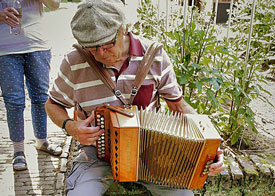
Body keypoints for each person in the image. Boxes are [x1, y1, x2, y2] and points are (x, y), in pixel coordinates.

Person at [45, 0, 225, 195]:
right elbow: (53, 104)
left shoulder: (154, 56)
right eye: (91, 47)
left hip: (151, 154)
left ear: (124, 29)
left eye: (107, 44)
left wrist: (210, 149)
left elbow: (179, 106)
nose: (99, 54)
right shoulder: (74, 62)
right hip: (97, 156)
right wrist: (70, 127)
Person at [0, 0, 62, 171]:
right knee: (14, 101)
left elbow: (55, 5)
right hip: (4, 50)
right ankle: (18, 151)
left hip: (38, 45)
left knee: (41, 96)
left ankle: (42, 141)